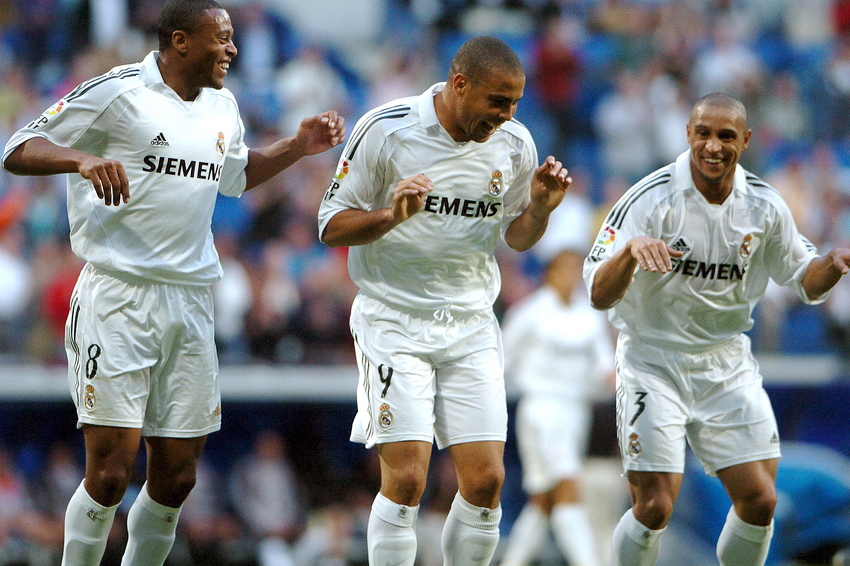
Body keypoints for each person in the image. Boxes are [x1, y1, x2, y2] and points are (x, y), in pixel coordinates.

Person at [1, 1, 345, 565]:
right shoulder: (118, 91)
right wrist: (82, 160)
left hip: (189, 303)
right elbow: (18, 148)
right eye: (222, 38)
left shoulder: (224, 106)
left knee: (177, 479)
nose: (232, 49)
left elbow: (235, 174)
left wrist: (296, 147)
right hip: (117, 295)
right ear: (180, 42)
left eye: (235, 38)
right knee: (110, 471)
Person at [317, 35, 572, 566]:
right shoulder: (387, 130)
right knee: (408, 479)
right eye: (497, 101)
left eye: (515, 104)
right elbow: (330, 226)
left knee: (486, 482)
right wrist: (390, 216)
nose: (506, 115)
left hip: (472, 322)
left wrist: (542, 209)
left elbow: (516, 237)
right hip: (393, 319)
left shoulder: (515, 145)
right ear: (459, 85)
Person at [582, 92, 850, 566]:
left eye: (726, 136)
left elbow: (806, 281)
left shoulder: (765, 207)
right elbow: (599, 294)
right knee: (655, 505)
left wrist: (832, 263)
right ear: (687, 134)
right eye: (703, 133)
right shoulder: (649, 198)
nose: (712, 146)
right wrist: (629, 252)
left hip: (725, 361)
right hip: (653, 360)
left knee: (761, 502)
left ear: (744, 140)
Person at [499, 246, 614, 566]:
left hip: (577, 412)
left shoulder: (588, 316)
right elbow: (501, 362)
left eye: (576, 271)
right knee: (567, 487)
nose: (571, 278)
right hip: (542, 410)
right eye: (564, 270)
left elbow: (604, 366)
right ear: (549, 273)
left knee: (544, 499)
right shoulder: (529, 313)